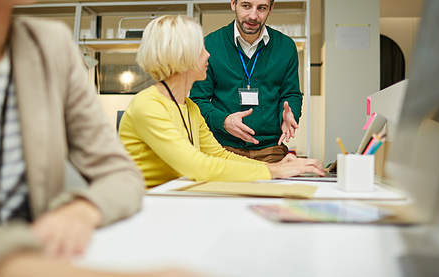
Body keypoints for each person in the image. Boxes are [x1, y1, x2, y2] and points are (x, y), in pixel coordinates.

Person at [0, 0, 203, 277]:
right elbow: (194, 163)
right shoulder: (149, 103)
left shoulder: (51, 45)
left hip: (53, 256)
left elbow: (121, 174)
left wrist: (85, 208)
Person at [118, 15, 323, 189]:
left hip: (174, 199)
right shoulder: (148, 105)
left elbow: (220, 156)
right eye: (200, 49)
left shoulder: (189, 108)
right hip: (144, 206)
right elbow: (197, 166)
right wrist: (275, 170)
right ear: (181, 56)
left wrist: (277, 167)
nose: (208, 53)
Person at [190, 0, 303, 163]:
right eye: (246, 6)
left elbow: (291, 94)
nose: (253, 15)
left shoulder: (286, 47)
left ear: (271, 8)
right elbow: (197, 100)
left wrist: (291, 112)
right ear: (233, 3)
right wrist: (224, 122)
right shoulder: (209, 45)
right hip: (222, 149)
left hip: (271, 150)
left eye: (262, 8)